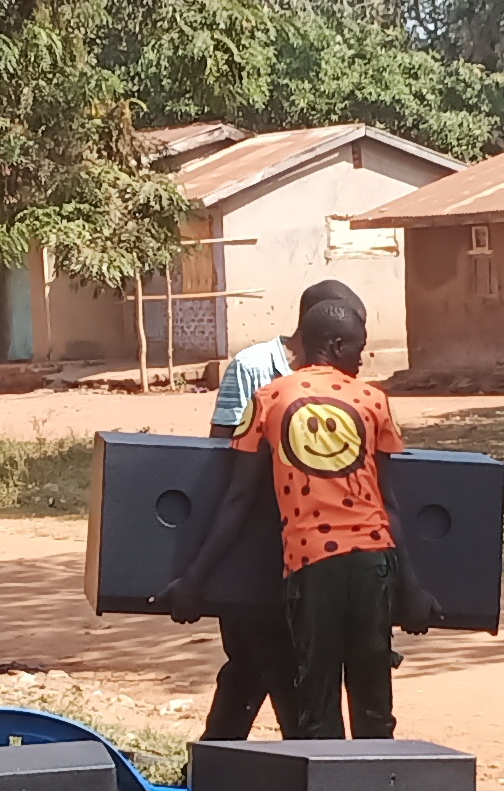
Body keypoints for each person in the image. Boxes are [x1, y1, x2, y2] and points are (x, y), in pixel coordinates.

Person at [166, 281, 436, 739]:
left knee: (316, 701)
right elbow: (387, 503)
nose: (362, 360)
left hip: (312, 565)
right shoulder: (374, 400)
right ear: (336, 345)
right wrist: (411, 589)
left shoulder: (268, 399)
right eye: (359, 350)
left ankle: (322, 780)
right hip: (374, 564)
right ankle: (376, 782)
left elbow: (236, 497)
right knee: (374, 700)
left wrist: (195, 577)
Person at [196, 326, 306, 740]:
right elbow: (221, 453)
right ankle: (305, 760)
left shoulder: (333, 376)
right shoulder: (252, 367)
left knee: (257, 665)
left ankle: (212, 763)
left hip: (296, 541)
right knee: (267, 658)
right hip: (246, 537)